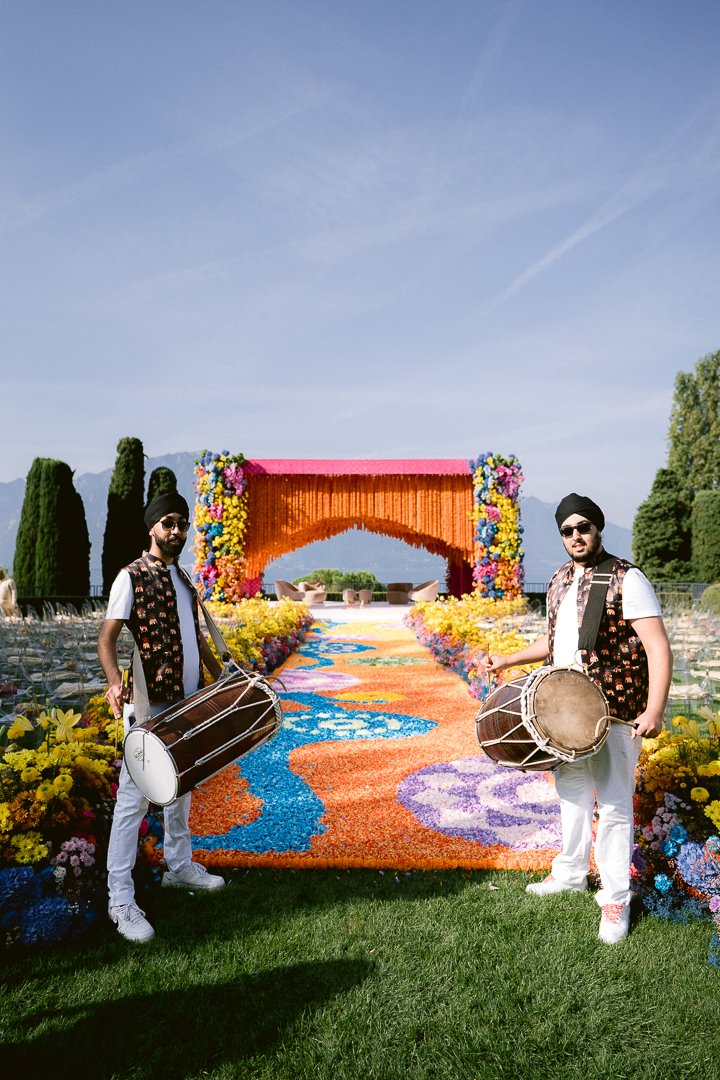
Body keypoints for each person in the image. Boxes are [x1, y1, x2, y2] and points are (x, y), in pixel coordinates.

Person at [480, 493, 672, 944]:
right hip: (565, 714)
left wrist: (655, 709)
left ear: (597, 528)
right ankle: (569, 873)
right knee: (571, 793)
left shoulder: (626, 578)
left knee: (615, 805)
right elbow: (555, 643)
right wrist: (507, 659)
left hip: (616, 714)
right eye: (567, 530)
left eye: (583, 527)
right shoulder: (560, 579)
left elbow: (657, 647)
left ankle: (616, 898)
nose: (576, 536)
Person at [98, 491, 225, 943]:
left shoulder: (184, 579)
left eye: (182, 524)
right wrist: (114, 682)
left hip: (187, 702)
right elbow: (107, 639)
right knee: (133, 800)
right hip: (149, 705)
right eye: (168, 522)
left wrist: (223, 676)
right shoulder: (130, 576)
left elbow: (197, 639)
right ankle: (119, 899)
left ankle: (178, 865)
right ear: (152, 526)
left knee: (182, 785)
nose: (176, 531)